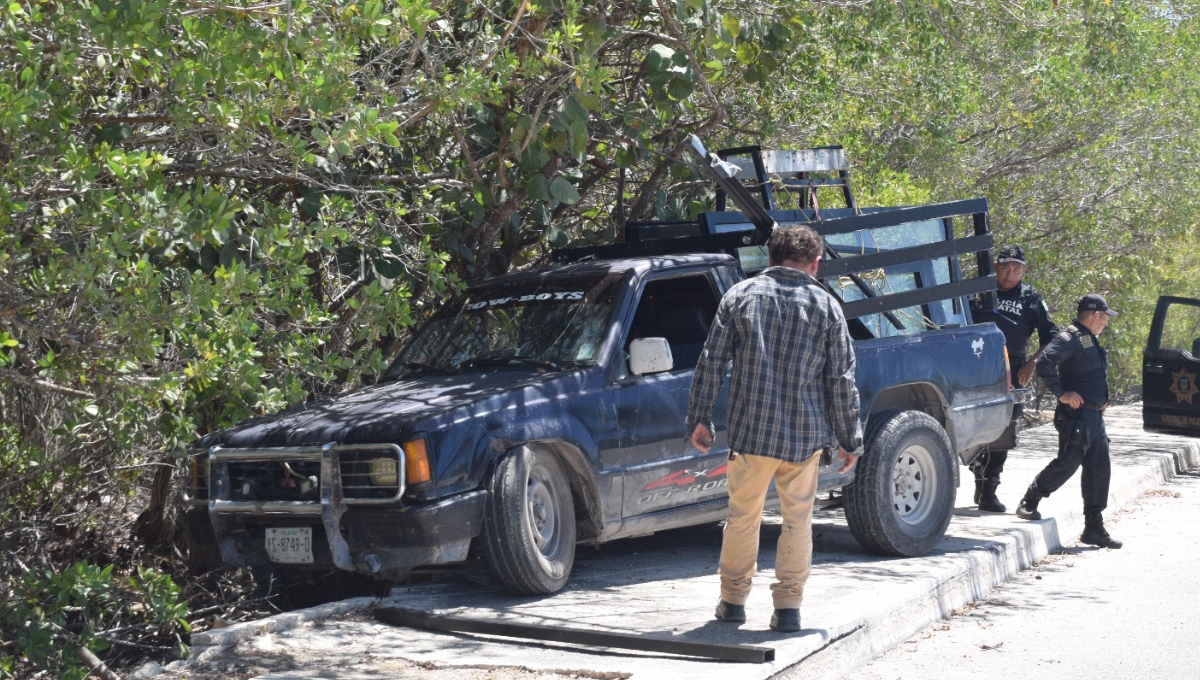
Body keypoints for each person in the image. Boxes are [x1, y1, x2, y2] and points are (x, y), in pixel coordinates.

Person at [685, 225, 862, 633]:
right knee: (798, 521)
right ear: (816, 264)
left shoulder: (740, 296)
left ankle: (732, 601)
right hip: (805, 440)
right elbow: (841, 380)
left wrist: (699, 417)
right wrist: (850, 437)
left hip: (751, 436)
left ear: (769, 257)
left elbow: (711, 362)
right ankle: (788, 609)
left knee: (742, 517)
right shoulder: (827, 306)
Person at [1015, 293, 1122, 549]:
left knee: (1099, 468)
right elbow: (1044, 364)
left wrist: (1101, 401)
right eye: (1105, 317)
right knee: (1068, 463)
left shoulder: (1090, 340)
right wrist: (1062, 394)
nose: (1106, 322)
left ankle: (1093, 527)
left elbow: (1094, 374)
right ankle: (1030, 500)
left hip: (1093, 415)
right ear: (1096, 315)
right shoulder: (1069, 338)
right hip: (1075, 416)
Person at [968, 244, 1058, 513]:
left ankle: (989, 489)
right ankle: (977, 474)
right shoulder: (978, 290)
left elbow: (1052, 336)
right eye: (1005, 267)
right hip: (976, 365)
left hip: (1013, 368)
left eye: (1016, 269)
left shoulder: (1030, 297)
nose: (1010, 274)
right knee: (972, 425)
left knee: (1004, 428)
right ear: (995, 267)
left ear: (1024, 271)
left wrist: (1033, 364)